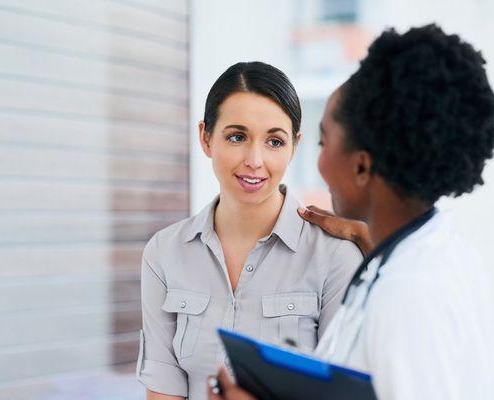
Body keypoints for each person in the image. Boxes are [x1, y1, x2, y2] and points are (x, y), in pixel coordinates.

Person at [208, 24, 494, 400]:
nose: (317, 162)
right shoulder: (425, 252)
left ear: (362, 167)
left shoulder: (409, 294)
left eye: (322, 141)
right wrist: (369, 239)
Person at [136, 62, 363, 400]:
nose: (254, 160)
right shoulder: (164, 253)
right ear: (206, 137)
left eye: (274, 141)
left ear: (294, 147)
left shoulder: (335, 257)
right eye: (237, 137)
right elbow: (163, 391)